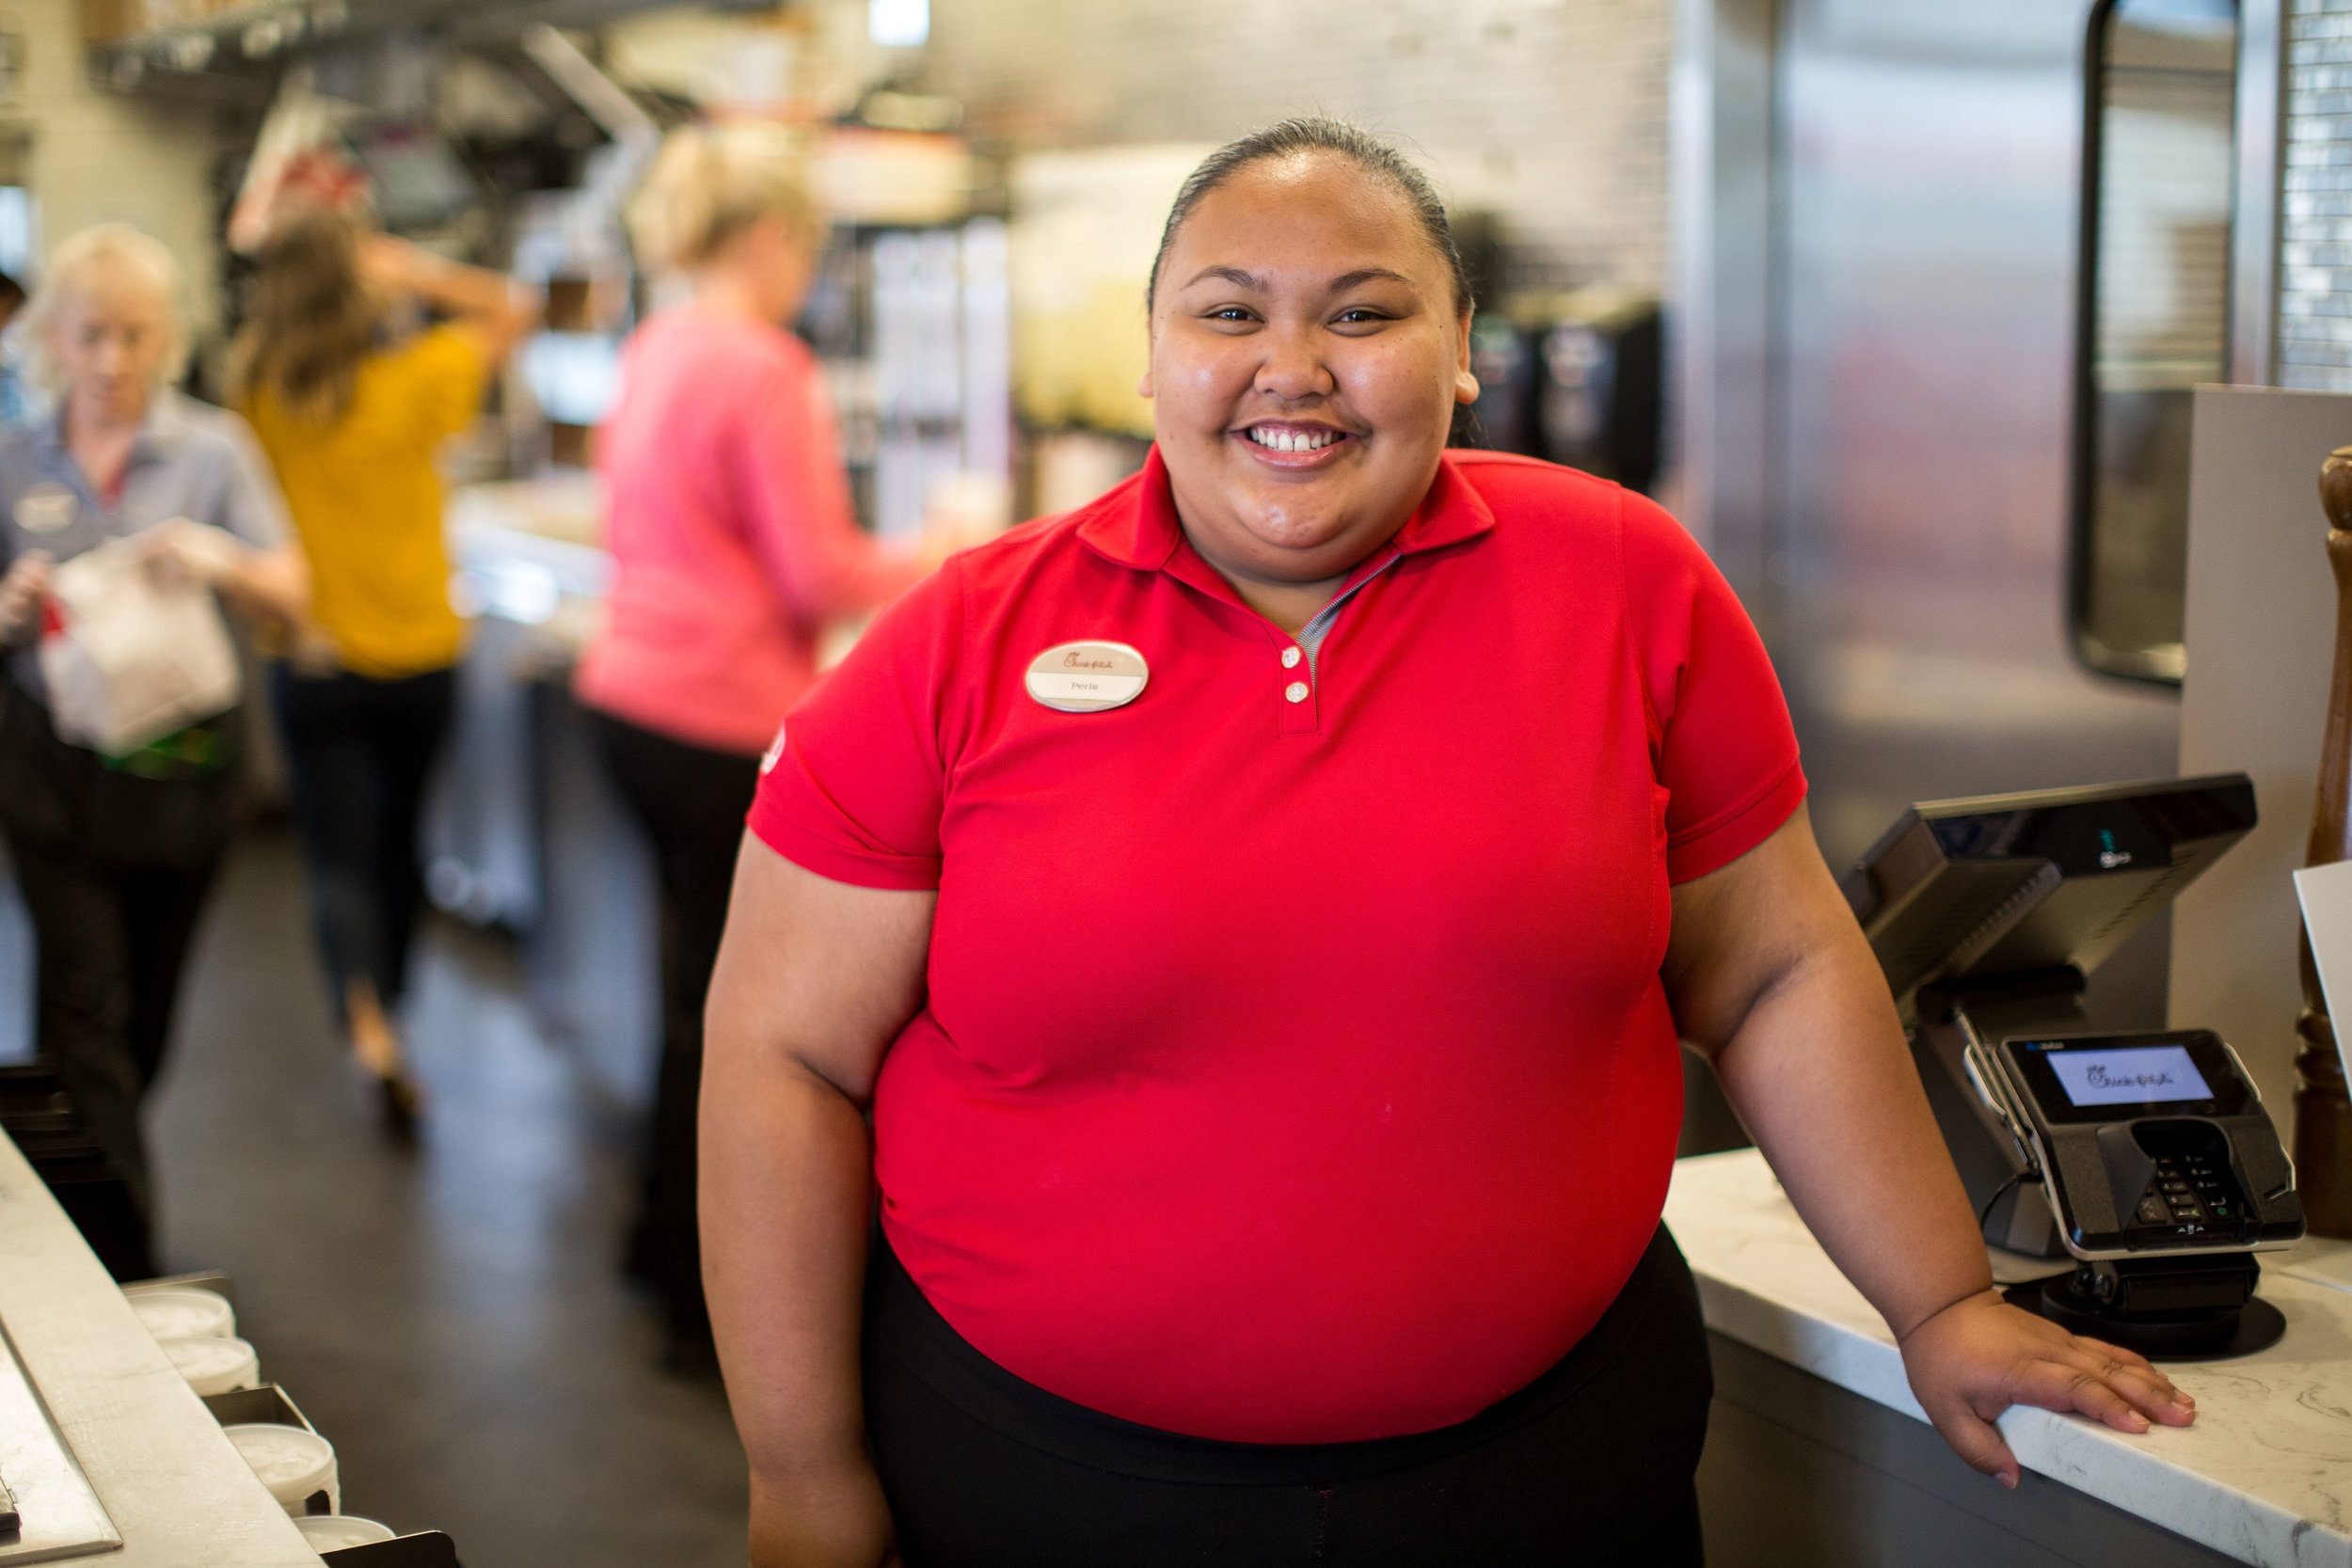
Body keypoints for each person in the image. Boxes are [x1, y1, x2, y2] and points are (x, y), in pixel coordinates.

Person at [700, 119, 2198, 1568]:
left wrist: (1937, 1300)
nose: (1295, 368)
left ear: (1465, 345)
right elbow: (782, 1054)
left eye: (1365, 311)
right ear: (1153, 355)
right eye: (1230, 313)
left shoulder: (1627, 581)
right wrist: (804, 1468)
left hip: (1552, 1467)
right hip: (1049, 1479)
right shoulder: (958, 642)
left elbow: (1778, 969)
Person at [576, 124, 929, 1367]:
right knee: (735, 1028)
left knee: (684, 995)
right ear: (773, 239)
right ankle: (696, 1303)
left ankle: (647, 1243)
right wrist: (957, 551)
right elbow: (817, 569)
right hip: (720, 713)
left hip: (624, 695)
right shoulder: (766, 364)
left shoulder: (658, 342)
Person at [0, 224, 308, 1277]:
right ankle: (118, 1266)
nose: (112, 360)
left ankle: (79, 1184)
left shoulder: (213, 451)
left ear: (166, 338)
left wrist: (219, 560)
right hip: (51, 780)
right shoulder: (11, 458)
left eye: (134, 335)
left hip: (185, 783)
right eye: (91, 335)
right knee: (84, 1013)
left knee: (141, 1026)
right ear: (54, 339)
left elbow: (292, 595)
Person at [232, 211, 534, 1138]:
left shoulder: (255, 392)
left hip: (315, 659)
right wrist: (412, 266)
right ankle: (395, 1003)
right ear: (364, 286)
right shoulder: (418, 380)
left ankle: (367, 1022)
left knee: (337, 853)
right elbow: (514, 306)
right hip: (421, 657)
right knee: (403, 839)